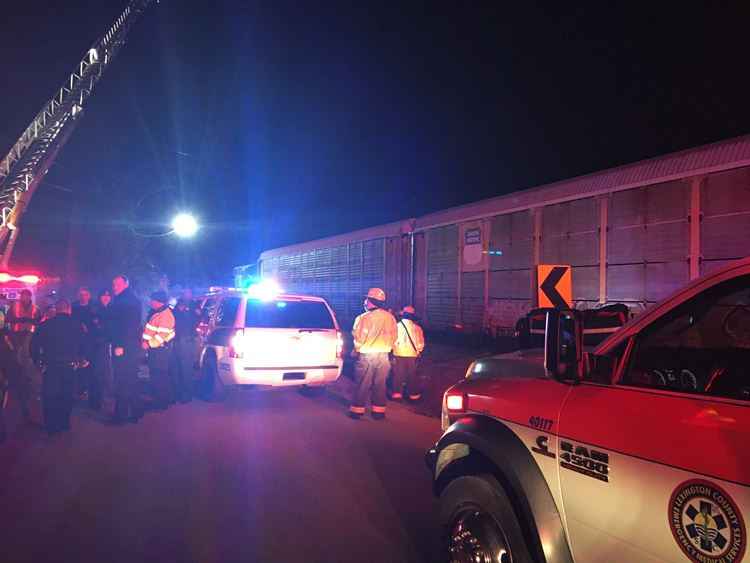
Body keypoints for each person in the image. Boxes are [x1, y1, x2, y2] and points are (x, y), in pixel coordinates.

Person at [30, 300, 85, 436]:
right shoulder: (77, 325)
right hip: (69, 366)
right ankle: (64, 422)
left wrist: (38, 362)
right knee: (67, 395)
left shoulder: (45, 325)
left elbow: (33, 346)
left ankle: (51, 426)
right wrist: (81, 360)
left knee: (50, 396)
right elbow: (84, 344)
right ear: (69, 309)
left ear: (56, 310)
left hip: (51, 366)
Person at [349, 288, 397, 420]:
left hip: (367, 356)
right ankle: (378, 412)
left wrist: (357, 350)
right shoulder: (390, 317)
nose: (364, 302)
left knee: (363, 383)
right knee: (380, 384)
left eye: (366, 299)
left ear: (370, 301)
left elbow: (358, 337)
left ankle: (357, 410)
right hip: (384, 356)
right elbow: (394, 337)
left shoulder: (363, 318)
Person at [109, 275, 144, 424]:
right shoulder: (130, 298)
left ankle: (121, 415)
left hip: (125, 346)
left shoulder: (125, 300)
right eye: (113, 283)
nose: (114, 286)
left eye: (117, 284)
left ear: (126, 284)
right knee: (130, 379)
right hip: (130, 346)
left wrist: (119, 346)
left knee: (122, 380)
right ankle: (135, 412)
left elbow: (126, 326)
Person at [5, 289, 41, 422]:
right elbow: (8, 318)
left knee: (26, 359)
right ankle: (17, 377)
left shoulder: (36, 308)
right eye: (22, 295)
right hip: (16, 336)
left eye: (26, 296)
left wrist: (30, 321)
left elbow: (39, 321)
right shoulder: (14, 306)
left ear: (30, 297)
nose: (24, 297)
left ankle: (26, 377)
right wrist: (20, 320)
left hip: (29, 336)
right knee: (16, 358)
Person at [142, 291, 175, 410]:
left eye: (152, 300)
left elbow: (161, 336)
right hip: (156, 350)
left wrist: (148, 344)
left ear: (158, 301)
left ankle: (160, 403)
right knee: (157, 376)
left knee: (159, 377)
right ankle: (159, 400)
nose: (150, 302)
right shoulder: (159, 313)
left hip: (160, 351)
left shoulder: (165, 315)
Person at [391, 306, 426, 402]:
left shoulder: (396, 326)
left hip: (398, 353)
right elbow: (420, 343)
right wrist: (418, 351)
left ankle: (397, 394)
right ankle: (413, 395)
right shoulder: (417, 328)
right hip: (412, 355)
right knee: (412, 375)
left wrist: (394, 349)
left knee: (398, 374)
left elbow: (392, 341)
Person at [72, 287, 98, 408]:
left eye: (86, 294)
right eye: (81, 294)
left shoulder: (94, 308)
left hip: (90, 342)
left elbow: (97, 323)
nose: (83, 297)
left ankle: (89, 389)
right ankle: (79, 389)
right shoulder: (74, 307)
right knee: (78, 366)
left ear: (89, 295)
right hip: (77, 341)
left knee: (90, 365)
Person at [171, 297, 198, 403]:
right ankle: (185, 395)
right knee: (185, 371)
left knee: (180, 371)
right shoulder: (190, 314)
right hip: (185, 344)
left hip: (181, 344)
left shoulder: (175, 314)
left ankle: (182, 394)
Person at [92, 290, 113, 411]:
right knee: (98, 372)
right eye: (103, 295)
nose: (106, 298)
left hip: (110, 344)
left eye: (108, 295)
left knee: (108, 373)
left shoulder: (113, 309)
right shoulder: (95, 309)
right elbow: (94, 327)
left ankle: (107, 397)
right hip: (98, 345)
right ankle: (97, 400)